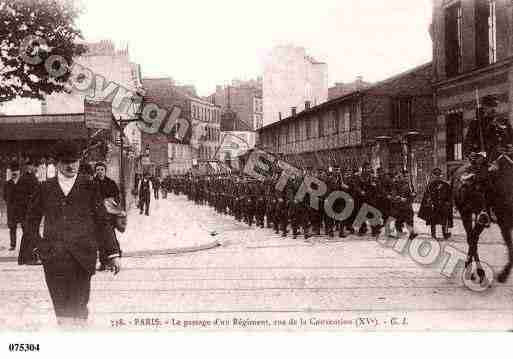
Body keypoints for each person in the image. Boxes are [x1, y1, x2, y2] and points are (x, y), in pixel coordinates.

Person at [25, 141, 121, 327]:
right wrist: (39, 246)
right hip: (54, 260)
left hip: (82, 259)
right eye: (66, 161)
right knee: (61, 310)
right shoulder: (45, 188)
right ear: (57, 163)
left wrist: (113, 253)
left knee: (79, 309)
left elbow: (102, 222)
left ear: (79, 161)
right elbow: (31, 222)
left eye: (75, 161)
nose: (71, 166)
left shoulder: (90, 187)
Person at [93, 162, 121, 271]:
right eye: (98, 169)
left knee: (110, 237)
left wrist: (112, 201)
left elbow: (117, 197)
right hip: (97, 215)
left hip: (109, 215)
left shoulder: (111, 183)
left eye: (102, 169)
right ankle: (103, 262)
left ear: (105, 171)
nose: (100, 172)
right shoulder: (92, 183)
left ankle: (114, 260)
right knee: (100, 239)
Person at [17, 158, 40, 265]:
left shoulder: (28, 177)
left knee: (28, 235)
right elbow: (21, 197)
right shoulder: (26, 178)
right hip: (27, 212)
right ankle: (29, 258)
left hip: (28, 211)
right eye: (35, 166)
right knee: (30, 234)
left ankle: (23, 258)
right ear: (29, 166)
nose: (36, 168)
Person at [419, 168, 453, 239]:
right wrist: (429, 202)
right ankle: (433, 235)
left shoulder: (446, 185)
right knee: (433, 221)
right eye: (436, 175)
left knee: (445, 220)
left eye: (439, 175)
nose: (437, 176)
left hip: (443, 205)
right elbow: (427, 195)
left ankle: (445, 234)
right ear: (433, 176)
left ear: (441, 175)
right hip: (434, 205)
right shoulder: (430, 185)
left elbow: (450, 195)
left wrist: (448, 203)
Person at [3, 162, 22, 251]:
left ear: (19, 171)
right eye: (12, 171)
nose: (14, 173)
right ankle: (13, 244)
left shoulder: (23, 182)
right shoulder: (7, 184)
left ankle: (26, 245)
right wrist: (10, 204)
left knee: (26, 227)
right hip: (12, 209)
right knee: (12, 227)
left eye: (16, 171)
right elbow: (4, 196)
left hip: (22, 209)